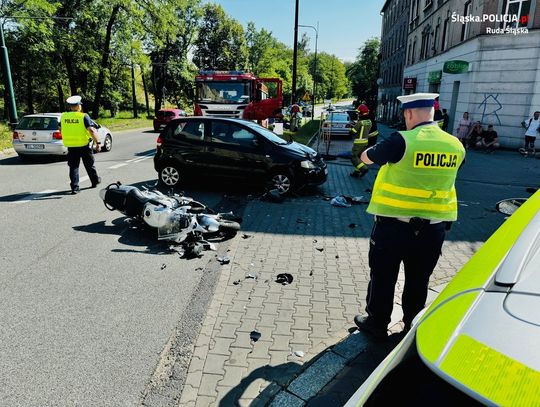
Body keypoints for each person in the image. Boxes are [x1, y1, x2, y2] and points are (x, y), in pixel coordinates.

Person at [353, 92, 465, 339]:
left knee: (383, 277)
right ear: (433, 114)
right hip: (433, 229)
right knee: (419, 279)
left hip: (394, 227)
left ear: (409, 113)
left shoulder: (402, 140)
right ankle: (411, 324)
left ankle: (377, 323)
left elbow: (367, 158)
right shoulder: (455, 145)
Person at [60, 95, 101, 194]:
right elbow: (91, 130)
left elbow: (60, 129)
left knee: (73, 167)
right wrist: (98, 143)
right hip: (83, 145)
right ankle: (94, 181)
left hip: (71, 146)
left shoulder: (63, 116)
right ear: (79, 106)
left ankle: (75, 188)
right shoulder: (83, 116)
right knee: (89, 165)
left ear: (70, 106)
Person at [350, 104, 373, 178]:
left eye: (358, 113)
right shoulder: (369, 122)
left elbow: (353, 132)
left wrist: (352, 126)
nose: (358, 114)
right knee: (359, 158)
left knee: (353, 157)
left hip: (358, 143)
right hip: (365, 142)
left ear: (361, 113)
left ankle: (364, 169)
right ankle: (357, 171)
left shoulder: (360, 123)